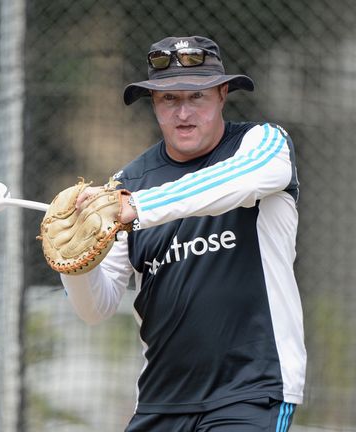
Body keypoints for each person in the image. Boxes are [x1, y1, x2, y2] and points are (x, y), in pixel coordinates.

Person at [63, 35, 306, 431]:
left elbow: (236, 182)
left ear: (223, 93)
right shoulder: (128, 181)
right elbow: (96, 308)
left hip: (250, 391)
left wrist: (138, 207)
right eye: (168, 100)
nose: (182, 113)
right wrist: (75, 259)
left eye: (196, 97)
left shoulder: (261, 145)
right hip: (161, 399)